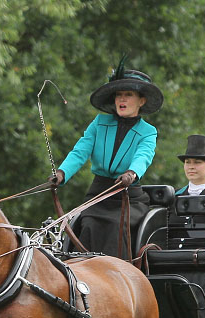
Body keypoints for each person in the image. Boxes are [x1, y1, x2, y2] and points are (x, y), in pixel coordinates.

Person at [52, 55, 163, 259]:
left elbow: (143, 156)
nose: (122, 99)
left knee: (114, 226)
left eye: (128, 94)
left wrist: (131, 173)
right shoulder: (99, 123)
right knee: (85, 223)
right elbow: (80, 151)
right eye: (118, 94)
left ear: (142, 100)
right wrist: (61, 173)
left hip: (127, 197)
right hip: (98, 194)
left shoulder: (148, 132)